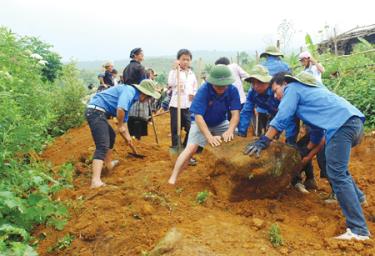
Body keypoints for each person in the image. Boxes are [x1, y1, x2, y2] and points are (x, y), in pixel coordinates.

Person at [245, 71, 370, 240]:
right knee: (339, 170)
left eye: (275, 91)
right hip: (354, 124)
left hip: (342, 126)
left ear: (284, 84)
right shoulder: (308, 95)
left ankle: (358, 230)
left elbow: (282, 116)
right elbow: (317, 132)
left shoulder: (292, 89)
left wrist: (264, 140)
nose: (275, 96)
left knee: (336, 173)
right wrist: (305, 150)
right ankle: (359, 199)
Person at [168, 65, 241, 185]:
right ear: (212, 82)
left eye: (224, 85)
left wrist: (230, 130)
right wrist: (209, 137)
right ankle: (173, 177)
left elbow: (235, 114)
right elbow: (198, 116)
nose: (221, 88)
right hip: (201, 122)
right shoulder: (204, 90)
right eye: (218, 85)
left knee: (234, 137)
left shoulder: (232, 90)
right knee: (191, 148)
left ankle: (231, 175)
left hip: (221, 122)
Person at [85, 79, 160, 188]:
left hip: (99, 112)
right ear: (145, 94)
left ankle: (109, 164)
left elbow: (124, 122)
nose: (149, 100)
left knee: (111, 136)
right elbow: (120, 109)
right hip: (95, 111)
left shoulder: (132, 98)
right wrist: (120, 125)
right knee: (102, 145)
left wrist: (128, 138)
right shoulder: (129, 91)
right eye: (149, 97)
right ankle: (95, 181)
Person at [237, 66, 297, 142]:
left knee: (288, 140)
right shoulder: (252, 92)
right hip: (272, 114)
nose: (256, 86)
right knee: (269, 137)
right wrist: (241, 132)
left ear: (268, 82)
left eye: (259, 82)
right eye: (253, 83)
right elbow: (246, 111)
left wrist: (290, 139)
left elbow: (289, 115)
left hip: (287, 114)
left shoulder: (278, 91)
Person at [168, 49, 198, 151]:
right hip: (176, 105)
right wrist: (174, 69)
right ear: (178, 60)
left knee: (191, 128)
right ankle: (176, 150)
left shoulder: (191, 74)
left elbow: (195, 88)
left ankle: (185, 149)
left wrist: (193, 94)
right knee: (176, 129)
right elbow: (171, 84)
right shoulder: (174, 72)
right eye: (183, 59)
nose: (185, 62)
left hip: (188, 106)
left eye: (188, 59)